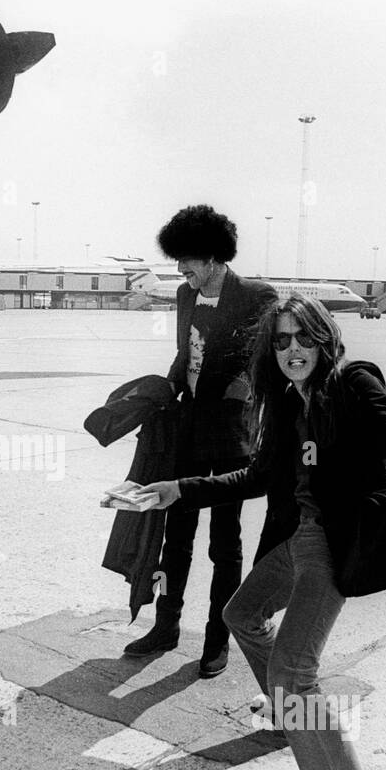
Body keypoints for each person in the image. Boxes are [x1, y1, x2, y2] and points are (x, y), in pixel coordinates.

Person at [139, 295, 386, 770]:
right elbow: (260, 476)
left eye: (303, 338)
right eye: (281, 341)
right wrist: (181, 488)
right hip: (296, 539)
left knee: (296, 674)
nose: (293, 350)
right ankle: (288, 716)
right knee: (241, 613)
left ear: (323, 340)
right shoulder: (284, 402)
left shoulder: (349, 384)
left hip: (333, 541)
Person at [125, 205, 277, 678]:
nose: (181, 271)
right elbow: (183, 355)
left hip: (230, 436)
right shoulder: (184, 295)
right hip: (187, 430)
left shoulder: (257, 295)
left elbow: (258, 362)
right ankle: (165, 626)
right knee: (176, 536)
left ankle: (217, 640)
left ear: (213, 257)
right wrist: (163, 393)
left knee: (224, 544)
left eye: (187, 261)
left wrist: (236, 395)